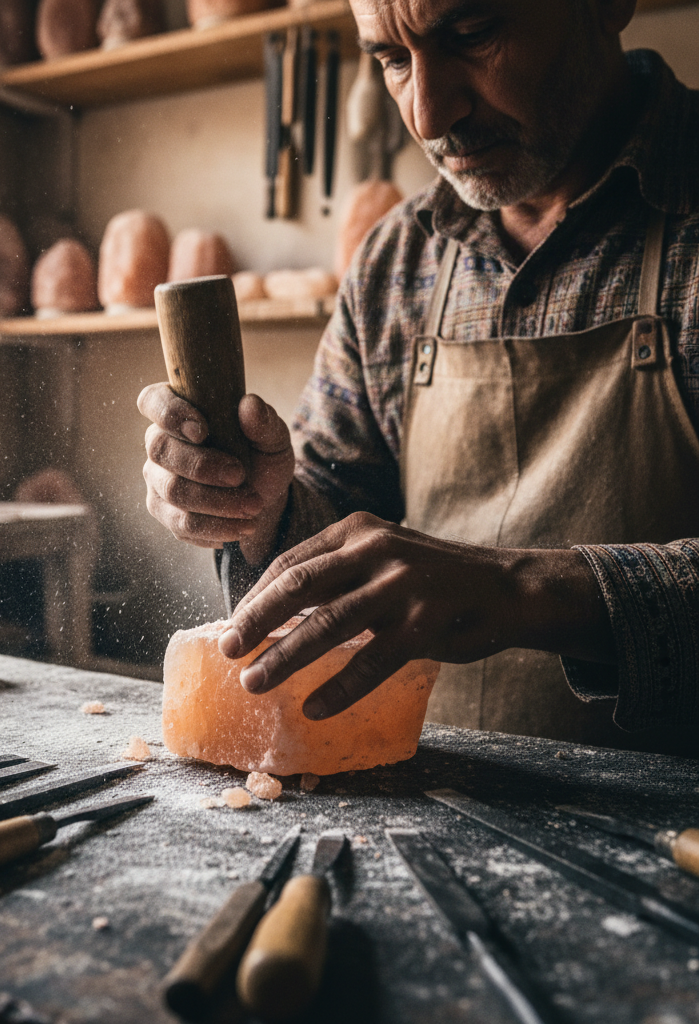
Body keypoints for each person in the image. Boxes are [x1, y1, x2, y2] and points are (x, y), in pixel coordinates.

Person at [138, 0, 699, 755]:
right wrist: (262, 512)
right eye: (393, 60)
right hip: (431, 800)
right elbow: (334, 518)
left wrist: (515, 592)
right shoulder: (397, 263)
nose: (429, 114)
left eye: (471, 34)